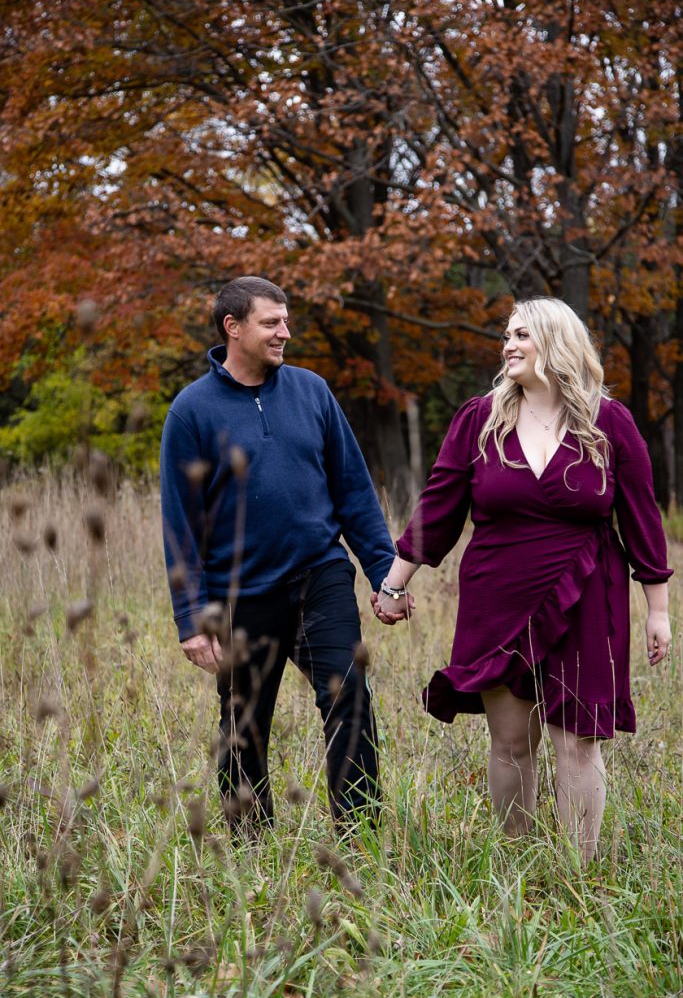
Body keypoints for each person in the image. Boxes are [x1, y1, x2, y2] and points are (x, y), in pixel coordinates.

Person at [373, 297, 672, 863]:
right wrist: (394, 584)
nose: (508, 345)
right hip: (497, 593)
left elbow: (641, 518)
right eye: (505, 335)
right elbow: (438, 508)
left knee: (577, 742)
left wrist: (658, 609)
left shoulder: (608, 422)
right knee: (511, 743)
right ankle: (520, 868)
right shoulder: (480, 418)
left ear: (556, 342)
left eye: (521, 335)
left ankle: (575, 875)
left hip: (587, 592)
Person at [160, 276, 399, 832]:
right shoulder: (191, 411)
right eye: (272, 322)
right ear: (233, 327)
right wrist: (192, 618)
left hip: (320, 573)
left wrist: (385, 571)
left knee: (349, 698)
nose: (284, 332)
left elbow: (354, 491)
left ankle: (360, 834)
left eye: (286, 321)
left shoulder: (312, 391)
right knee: (244, 722)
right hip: (239, 592)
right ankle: (248, 844)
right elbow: (180, 525)